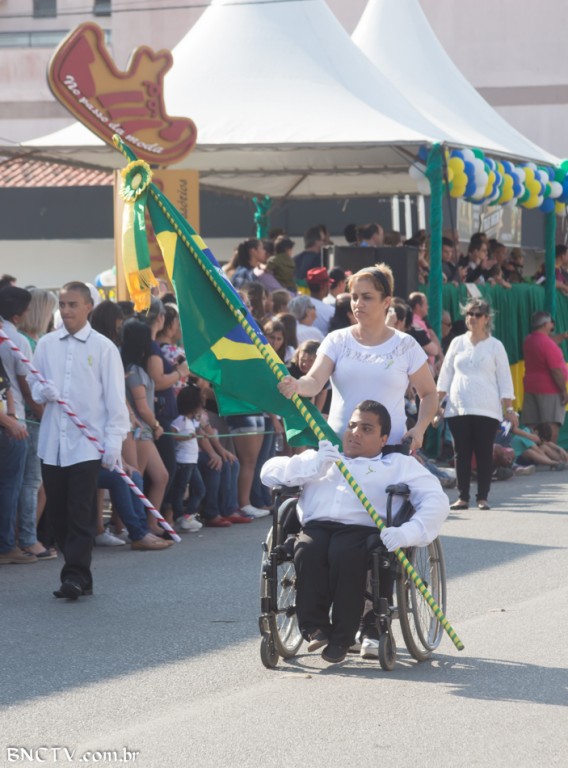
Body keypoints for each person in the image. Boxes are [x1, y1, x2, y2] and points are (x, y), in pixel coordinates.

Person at [260, 400, 449, 663]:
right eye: (352, 426)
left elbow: (436, 501)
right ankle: (315, 628)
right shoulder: (325, 455)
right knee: (307, 550)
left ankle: (342, 637)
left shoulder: (397, 464)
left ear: (383, 439)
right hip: (317, 526)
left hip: (362, 530)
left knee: (344, 553)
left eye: (366, 429)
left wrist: (408, 533)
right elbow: (268, 472)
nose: (355, 433)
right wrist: (312, 466)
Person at [31, 281, 130, 598]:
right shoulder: (46, 345)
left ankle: (74, 575)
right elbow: (34, 383)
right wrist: (41, 391)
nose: (66, 310)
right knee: (58, 514)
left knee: (80, 510)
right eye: (62, 305)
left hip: (87, 444)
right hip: (52, 444)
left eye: (72, 304)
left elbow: (115, 399)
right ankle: (80, 576)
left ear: (88, 307)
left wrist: (113, 442)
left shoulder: (103, 348)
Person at [278, 263, 438, 450]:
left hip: (390, 451)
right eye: (354, 297)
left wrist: (419, 428)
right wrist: (297, 385)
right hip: (339, 450)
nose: (358, 303)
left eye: (367, 297)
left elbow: (429, 393)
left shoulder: (406, 345)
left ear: (386, 302)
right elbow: (314, 381)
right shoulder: (336, 340)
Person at [437, 298, 517, 511]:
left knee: (483, 453)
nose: (472, 318)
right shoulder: (457, 342)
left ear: (487, 319)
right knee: (461, 453)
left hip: (487, 408)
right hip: (458, 407)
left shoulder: (495, 346)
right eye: (469, 314)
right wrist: (436, 403)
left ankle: (483, 497)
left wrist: (509, 409)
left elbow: (504, 379)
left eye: (477, 314)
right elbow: (445, 374)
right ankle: (462, 497)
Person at [121, 318, 170, 533]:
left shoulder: (133, 369)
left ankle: (149, 524)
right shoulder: (134, 371)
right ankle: (130, 526)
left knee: (158, 477)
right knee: (136, 481)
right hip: (140, 431)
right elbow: (142, 407)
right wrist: (156, 425)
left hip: (142, 431)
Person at [522, 311, 568, 443]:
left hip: (531, 388)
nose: (552, 325)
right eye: (551, 322)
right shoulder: (548, 345)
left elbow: (546, 341)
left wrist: (563, 336)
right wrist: (564, 391)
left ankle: (535, 452)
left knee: (532, 427)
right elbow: (556, 371)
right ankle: (549, 453)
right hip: (550, 391)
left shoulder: (529, 340)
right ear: (546, 324)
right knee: (551, 427)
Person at [169, 383, 205, 531]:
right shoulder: (180, 420)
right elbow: (171, 434)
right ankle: (180, 517)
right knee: (180, 490)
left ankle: (188, 515)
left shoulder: (191, 421)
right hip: (183, 461)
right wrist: (186, 437)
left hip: (192, 461)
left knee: (200, 489)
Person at [306, 267, 334, 335]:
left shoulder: (298, 306)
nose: (329, 287)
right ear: (323, 287)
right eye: (328, 284)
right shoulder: (331, 311)